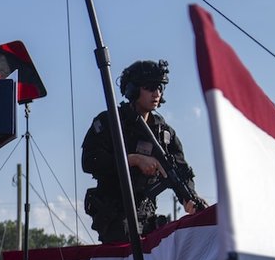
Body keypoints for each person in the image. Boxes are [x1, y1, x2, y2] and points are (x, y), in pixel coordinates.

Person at [81, 59, 204, 243]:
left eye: (160, 87)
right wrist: (133, 159)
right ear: (133, 89)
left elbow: (180, 171)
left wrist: (189, 198)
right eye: (150, 87)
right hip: (116, 214)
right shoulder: (110, 122)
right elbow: (89, 161)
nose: (157, 93)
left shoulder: (164, 133)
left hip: (147, 215)